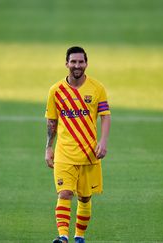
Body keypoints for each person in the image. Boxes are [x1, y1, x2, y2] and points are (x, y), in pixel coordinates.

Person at [45, 46, 111, 243]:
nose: (77, 65)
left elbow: (105, 116)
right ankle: (63, 236)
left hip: (89, 153)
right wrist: (48, 147)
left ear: (86, 63)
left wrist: (103, 141)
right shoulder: (55, 91)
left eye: (80, 62)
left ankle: (79, 237)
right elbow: (51, 121)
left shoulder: (97, 88)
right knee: (64, 193)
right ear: (66, 64)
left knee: (85, 198)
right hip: (64, 153)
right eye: (73, 62)